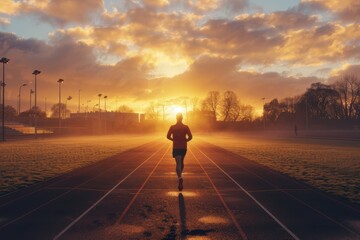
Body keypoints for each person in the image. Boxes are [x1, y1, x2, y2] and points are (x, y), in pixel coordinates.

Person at [167, 112, 192, 191]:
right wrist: (185, 141)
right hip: (183, 147)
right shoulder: (186, 127)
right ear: (182, 118)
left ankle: (180, 177)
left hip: (176, 147)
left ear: (176, 118)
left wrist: (173, 140)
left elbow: (167, 136)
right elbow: (191, 137)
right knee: (181, 162)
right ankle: (180, 175)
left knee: (178, 164)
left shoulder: (172, 127)